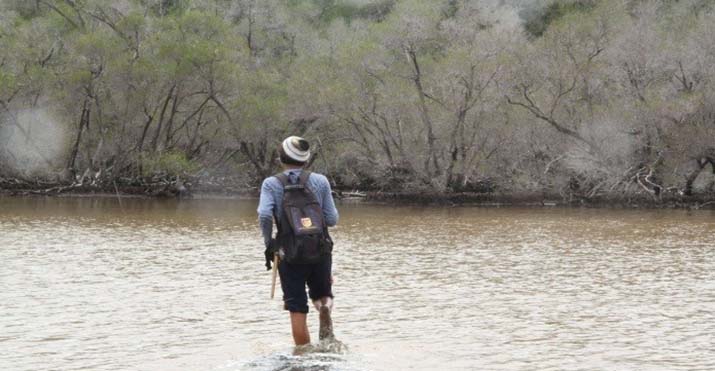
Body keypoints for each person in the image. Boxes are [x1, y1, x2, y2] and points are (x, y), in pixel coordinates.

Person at [257, 136, 339, 346]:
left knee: (296, 307)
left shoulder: (271, 184)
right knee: (322, 294)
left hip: (289, 253)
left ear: (280, 158)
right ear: (306, 159)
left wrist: (269, 243)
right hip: (320, 250)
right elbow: (332, 219)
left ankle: (304, 357)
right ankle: (325, 308)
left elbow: (264, 215)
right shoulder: (320, 181)